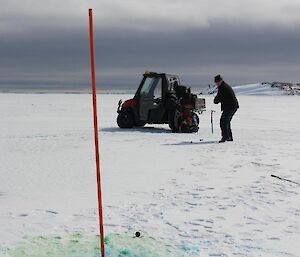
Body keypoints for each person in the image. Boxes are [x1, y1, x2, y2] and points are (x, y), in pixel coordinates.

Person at [213, 75, 239, 143]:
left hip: (230, 106)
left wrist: (215, 100)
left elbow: (217, 99)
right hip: (232, 106)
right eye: (216, 82)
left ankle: (225, 137)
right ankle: (228, 137)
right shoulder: (224, 86)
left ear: (221, 80)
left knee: (224, 121)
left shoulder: (223, 87)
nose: (217, 83)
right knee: (226, 121)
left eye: (218, 81)